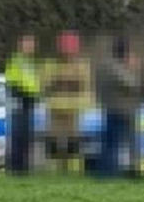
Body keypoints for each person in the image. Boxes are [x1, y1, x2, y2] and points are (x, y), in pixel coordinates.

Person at [95, 35, 144, 177]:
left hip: (112, 108)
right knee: (119, 143)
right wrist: (134, 69)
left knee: (111, 142)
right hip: (123, 110)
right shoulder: (115, 67)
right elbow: (132, 84)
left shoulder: (104, 66)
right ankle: (114, 172)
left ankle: (111, 170)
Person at [42, 30, 92, 173]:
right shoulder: (51, 65)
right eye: (65, 50)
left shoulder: (82, 66)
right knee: (54, 143)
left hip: (72, 112)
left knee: (73, 143)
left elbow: (87, 90)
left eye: (70, 50)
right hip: (55, 112)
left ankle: (73, 170)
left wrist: (82, 105)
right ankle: (55, 170)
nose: (68, 54)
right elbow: (45, 87)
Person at [5, 33, 40, 173]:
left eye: (31, 44)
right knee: (18, 138)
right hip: (20, 103)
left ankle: (25, 168)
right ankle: (16, 168)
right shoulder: (16, 61)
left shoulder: (33, 63)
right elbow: (11, 81)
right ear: (21, 45)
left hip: (31, 104)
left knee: (28, 138)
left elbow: (36, 83)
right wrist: (20, 94)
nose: (29, 47)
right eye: (27, 44)